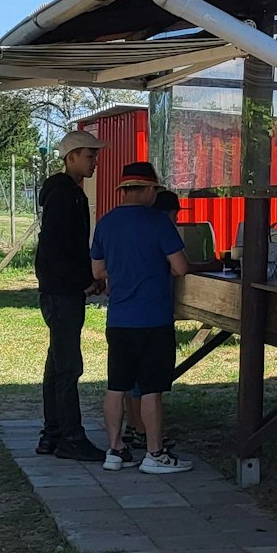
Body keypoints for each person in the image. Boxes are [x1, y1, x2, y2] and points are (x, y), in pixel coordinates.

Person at [89, 162, 194, 474]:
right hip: (153, 318)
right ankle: (155, 453)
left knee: (116, 386)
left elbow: (97, 271)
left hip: (119, 319)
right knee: (151, 389)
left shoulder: (106, 223)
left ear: (124, 190)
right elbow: (181, 267)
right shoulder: (159, 223)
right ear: (149, 190)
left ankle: (115, 449)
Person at [34, 128, 106, 461]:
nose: (95, 162)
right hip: (61, 293)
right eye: (90, 155)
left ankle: (52, 434)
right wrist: (83, 281)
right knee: (68, 367)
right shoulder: (65, 195)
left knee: (57, 365)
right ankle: (71, 437)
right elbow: (55, 250)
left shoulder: (69, 192)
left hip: (60, 291)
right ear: (71, 158)